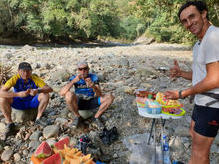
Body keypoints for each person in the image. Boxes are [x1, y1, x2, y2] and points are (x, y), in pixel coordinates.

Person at [165, 1, 219, 164]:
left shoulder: (213, 37)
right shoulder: (198, 44)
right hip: (201, 102)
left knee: (199, 153)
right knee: (193, 136)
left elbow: (215, 79)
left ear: (203, 14)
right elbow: (202, 74)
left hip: (212, 104)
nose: (189, 23)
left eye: (192, 17)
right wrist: (181, 73)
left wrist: (182, 94)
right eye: (184, 21)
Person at [0, 62, 53, 139]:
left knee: (45, 94)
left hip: (32, 101)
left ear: (31, 71)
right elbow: (1, 93)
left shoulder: (34, 78)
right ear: (18, 71)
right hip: (19, 102)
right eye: (23, 71)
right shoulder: (15, 78)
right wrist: (18, 94)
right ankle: (10, 124)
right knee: (2, 99)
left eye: (28, 71)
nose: (25, 73)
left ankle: (38, 118)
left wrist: (37, 91)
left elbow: (49, 89)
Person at [60, 61, 114, 129]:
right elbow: (62, 93)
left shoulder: (93, 77)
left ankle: (96, 117)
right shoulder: (73, 78)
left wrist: (93, 86)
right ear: (78, 70)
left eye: (85, 69)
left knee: (110, 97)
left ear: (88, 69)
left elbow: (99, 95)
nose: (83, 71)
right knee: (68, 94)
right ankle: (77, 116)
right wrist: (73, 81)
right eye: (80, 69)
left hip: (91, 101)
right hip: (79, 102)